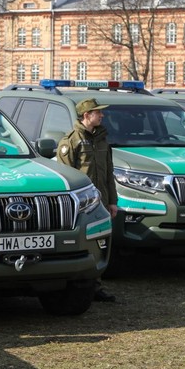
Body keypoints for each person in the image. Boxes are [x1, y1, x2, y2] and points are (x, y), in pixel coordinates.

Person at [57, 98, 118, 302]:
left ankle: (96, 286)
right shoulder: (71, 141)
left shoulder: (102, 139)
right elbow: (66, 178)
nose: (102, 115)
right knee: (85, 244)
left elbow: (109, 173)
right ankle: (80, 286)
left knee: (100, 243)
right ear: (86, 115)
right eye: (97, 112)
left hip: (101, 201)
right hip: (83, 205)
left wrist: (112, 201)